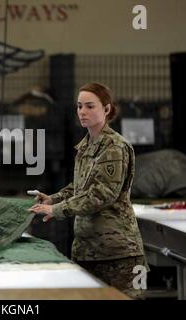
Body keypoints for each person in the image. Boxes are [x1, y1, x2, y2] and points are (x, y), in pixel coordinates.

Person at [29, 82, 148, 299]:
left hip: (118, 254)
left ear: (106, 109)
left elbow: (100, 195)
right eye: (79, 106)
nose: (82, 112)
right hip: (87, 251)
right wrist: (52, 199)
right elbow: (79, 187)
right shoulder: (85, 147)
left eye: (90, 106)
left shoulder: (114, 147)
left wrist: (57, 210)